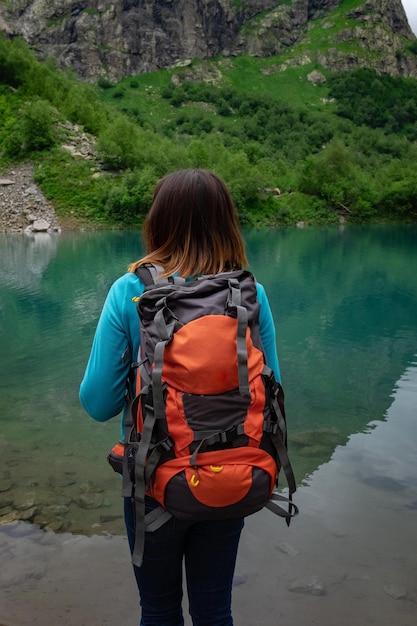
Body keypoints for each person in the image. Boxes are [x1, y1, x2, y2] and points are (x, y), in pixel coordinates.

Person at [79, 168, 281, 626]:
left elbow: (97, 404)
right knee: (215, 610)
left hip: (154, 483)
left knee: (158, 609)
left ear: (158, 220)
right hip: (233, 473)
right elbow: (271, 395)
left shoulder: (130, 291)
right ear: (228, 221)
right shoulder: (251, 295)